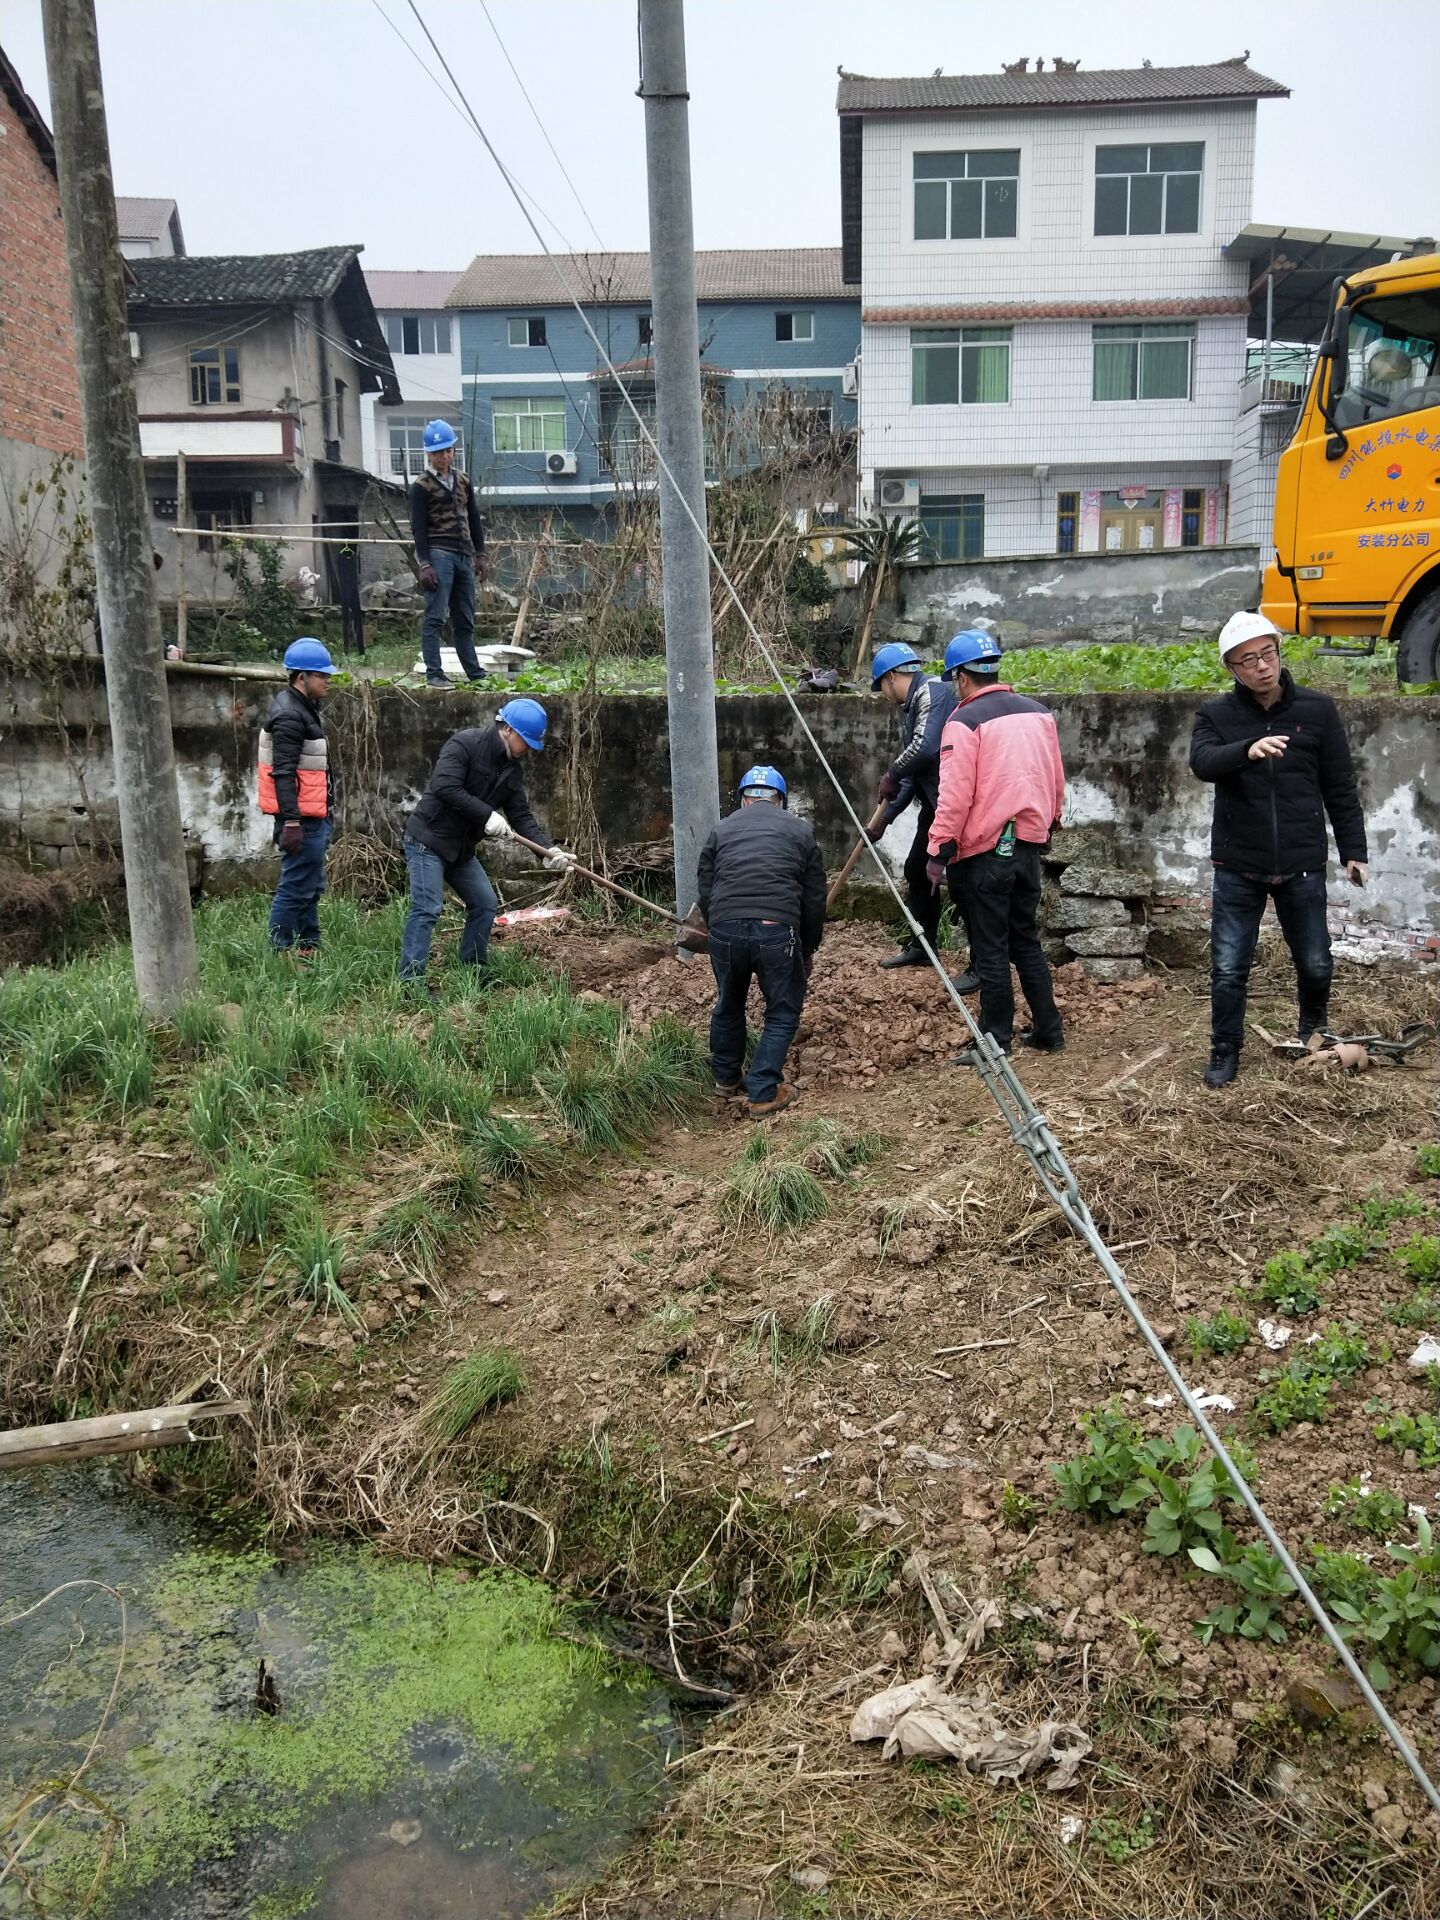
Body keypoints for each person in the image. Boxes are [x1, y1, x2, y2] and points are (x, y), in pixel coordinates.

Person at [1189, 611, 1368, 1089]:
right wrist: (1246, 749)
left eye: (1267, 653)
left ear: (1278, 651)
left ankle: (1313, 1029)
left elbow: (1340, 786)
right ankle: (1225, 1049)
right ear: (1232, 668)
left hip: (1301, 860)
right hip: (1238, 862)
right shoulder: (1216, 715)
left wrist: (1354, 850)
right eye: (1248, 660)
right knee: (1229, 967)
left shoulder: (1317, 709)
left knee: (1315, 960)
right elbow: (1202, 762)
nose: (1262, 666)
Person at [927, 631, 1066, 1063]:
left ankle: (995, 1042)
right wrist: (1050, 821)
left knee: (989, 948)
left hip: (985, 852)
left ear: (961, 678)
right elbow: (1055, 778)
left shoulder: (963, 722)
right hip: (1027, 845)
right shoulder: (1038, 713)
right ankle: (1049, 1031)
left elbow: (954, 795)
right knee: (1025, 940)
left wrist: (939, 847)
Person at [399, 698, 576, 992]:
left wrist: (546, 851)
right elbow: (444, 787)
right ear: (509, 729)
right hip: (427, 840)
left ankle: (473, 970)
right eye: (526, 741)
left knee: (484, 903)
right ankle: (410, 983)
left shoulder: (512, 770)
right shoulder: (464, 744)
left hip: (460, 848)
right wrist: (486, 814)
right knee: (428, 907)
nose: (528, 750)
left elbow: (521, 816)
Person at [697, 765, 826, 1120]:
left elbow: (706, 889)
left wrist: (717, 927)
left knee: (728, 1002)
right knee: (782, 1012)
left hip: (725, 929)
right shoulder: (800, 831)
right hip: (776, 930)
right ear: (781, 800)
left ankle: (726, 1079)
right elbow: (814, 899)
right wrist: (807, 948)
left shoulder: (721, 829)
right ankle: (763, 1091)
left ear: (743, 799)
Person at [866, 641, 976, 991]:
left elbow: (924, 749)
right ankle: (924, 946)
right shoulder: (914, 706)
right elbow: (913, 773)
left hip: (958, 804)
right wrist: (883, 821)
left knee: (962, 883)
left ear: (891, 678)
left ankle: (981, 965)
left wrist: (892, 771)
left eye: (881, 687)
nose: (885, 696)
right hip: (935, 803)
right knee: (916, 869)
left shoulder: (932, 693)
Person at [258, 638, 338, 959]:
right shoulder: (291, 715)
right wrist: (291, 822)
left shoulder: (303, 707)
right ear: (301, 677)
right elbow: (283, 773)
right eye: (322, 675)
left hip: (313, 814)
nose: (328, 681)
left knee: (310, 886)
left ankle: (308, 948)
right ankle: (279, 954)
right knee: (295, 888)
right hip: (302, 819)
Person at [409, 419, 488, 689]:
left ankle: (475, 674)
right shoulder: (421, 486)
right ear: (428, 454)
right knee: (435, 616)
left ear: (453, 451)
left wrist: (480, 554)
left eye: (448, 450)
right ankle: (434, 674)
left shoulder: (463, 480)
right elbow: (419, 528)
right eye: (438, 452)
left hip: (463, 554)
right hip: (439, 553)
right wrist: (424, 564)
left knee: (465, 618)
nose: (444, 456)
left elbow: (474, 518)